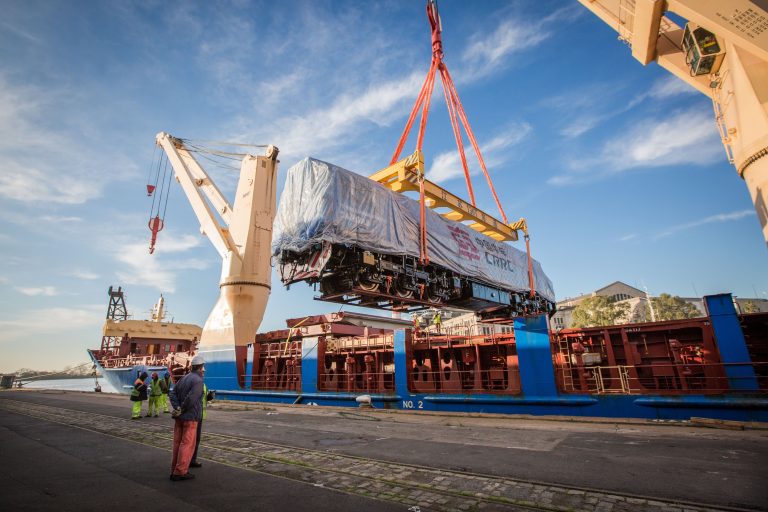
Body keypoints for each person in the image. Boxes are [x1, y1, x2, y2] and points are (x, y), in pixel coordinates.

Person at [168, 355, 205, 481]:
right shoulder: (198, 381)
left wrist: (178, 408)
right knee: (187, 444)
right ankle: (180, 472)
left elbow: (172, 393)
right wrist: (183, 409)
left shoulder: (183, 378)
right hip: (190, 418)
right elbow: (191, 398)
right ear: (201, 368)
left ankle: (174, 469)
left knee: (177, 444)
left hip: (179, 418)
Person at [190, 383, 214, 468]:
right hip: (194, 415)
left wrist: (210, 396)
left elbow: (205, 398)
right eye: (202, 370)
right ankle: (188, 460)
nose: (203, 372)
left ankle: (192, 459)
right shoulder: (193, 383)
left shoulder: (204, 385)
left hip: (200, 416)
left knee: (196, 439)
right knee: (191, 439)